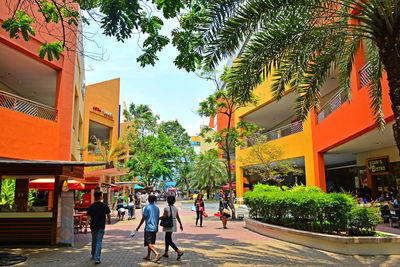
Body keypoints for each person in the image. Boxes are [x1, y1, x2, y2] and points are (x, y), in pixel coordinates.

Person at [86, 191, 111, 264]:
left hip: (93, 226)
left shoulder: (91, 206)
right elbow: (108, 214)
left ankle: (93, 254)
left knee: (94, 240)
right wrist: (109, 220)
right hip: (101, 226)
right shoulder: (104, 205)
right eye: (102, 195)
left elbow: (88, 217)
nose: (102, 196)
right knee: (99, 241)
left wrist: (85, 226)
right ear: (100, 197)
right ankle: (97, 258)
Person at [136, 195, 161, 263]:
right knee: (150, 242)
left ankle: (156, 253)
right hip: (155, 227)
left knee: (148, 242)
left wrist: (138, 226)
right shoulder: (157, 208)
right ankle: (148, 255)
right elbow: (157, 218)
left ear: (149, 200)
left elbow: (143, 218)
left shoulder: (147, 208)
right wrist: (157, 226)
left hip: (149, 228)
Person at [159, 195, 184, 260]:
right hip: (173, 223)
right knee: (167, 237)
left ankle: (178, 251)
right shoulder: (175, 208)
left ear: (168, 201)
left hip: (168, 224)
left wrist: (157, 218)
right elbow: (177, 217)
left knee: (168, 239)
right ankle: (166, 252)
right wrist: (180, 224)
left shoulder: (166, 208)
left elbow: (164, 216)